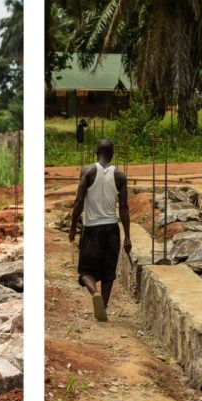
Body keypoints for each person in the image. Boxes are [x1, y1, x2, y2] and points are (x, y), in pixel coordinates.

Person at [69, 138, 131, 322]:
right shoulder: (120, 176)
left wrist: (73, 227)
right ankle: (103, 306)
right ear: (112, 155)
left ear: (96, 153)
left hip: (91, 229)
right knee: (108, 272)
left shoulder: (87, 171)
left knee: (86, 271)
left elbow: (79, 201)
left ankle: (94, 293)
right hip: (112, 229)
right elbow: (124, 207)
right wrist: (127, 237)